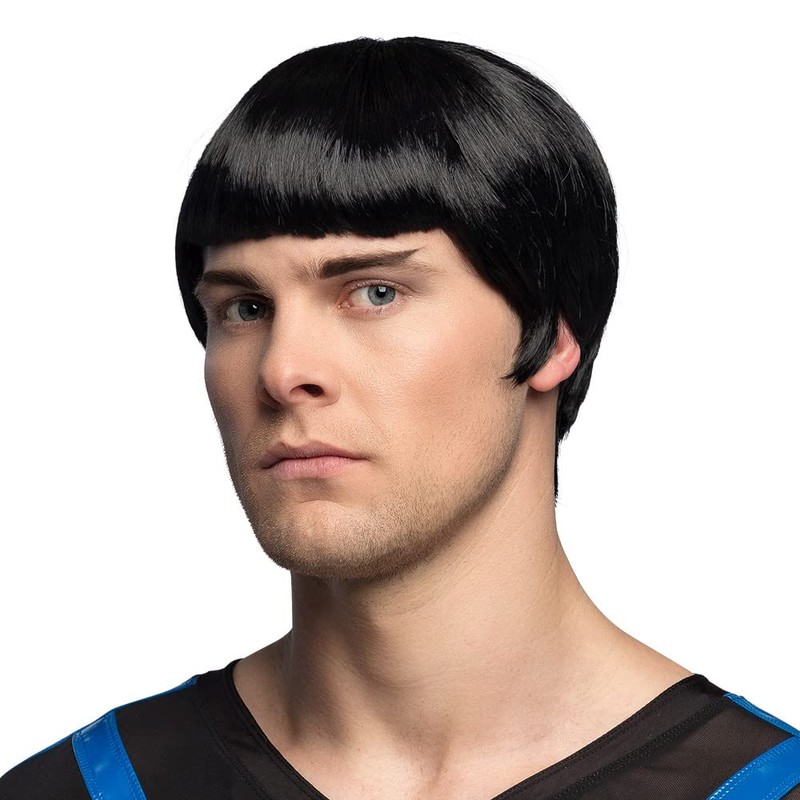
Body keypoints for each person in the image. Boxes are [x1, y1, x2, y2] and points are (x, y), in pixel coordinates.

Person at [2, 35, 798, 800]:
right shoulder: (77, 789)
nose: (282, 371)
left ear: (552, 336)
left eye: (375, 292)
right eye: (244, 307)